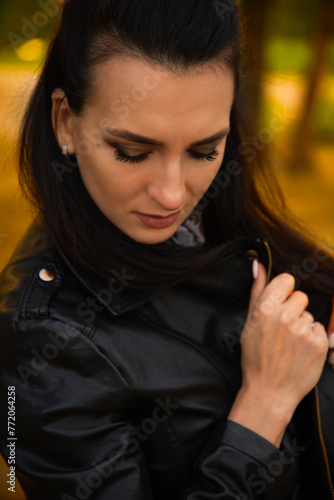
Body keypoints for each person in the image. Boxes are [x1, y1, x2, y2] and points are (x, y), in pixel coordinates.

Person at [0, 1, 334, 498]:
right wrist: (264, 407)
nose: (174, 194)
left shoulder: (220, 220)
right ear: (66, 121)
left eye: (204, 151)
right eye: (133, 152)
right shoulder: (44, 342)